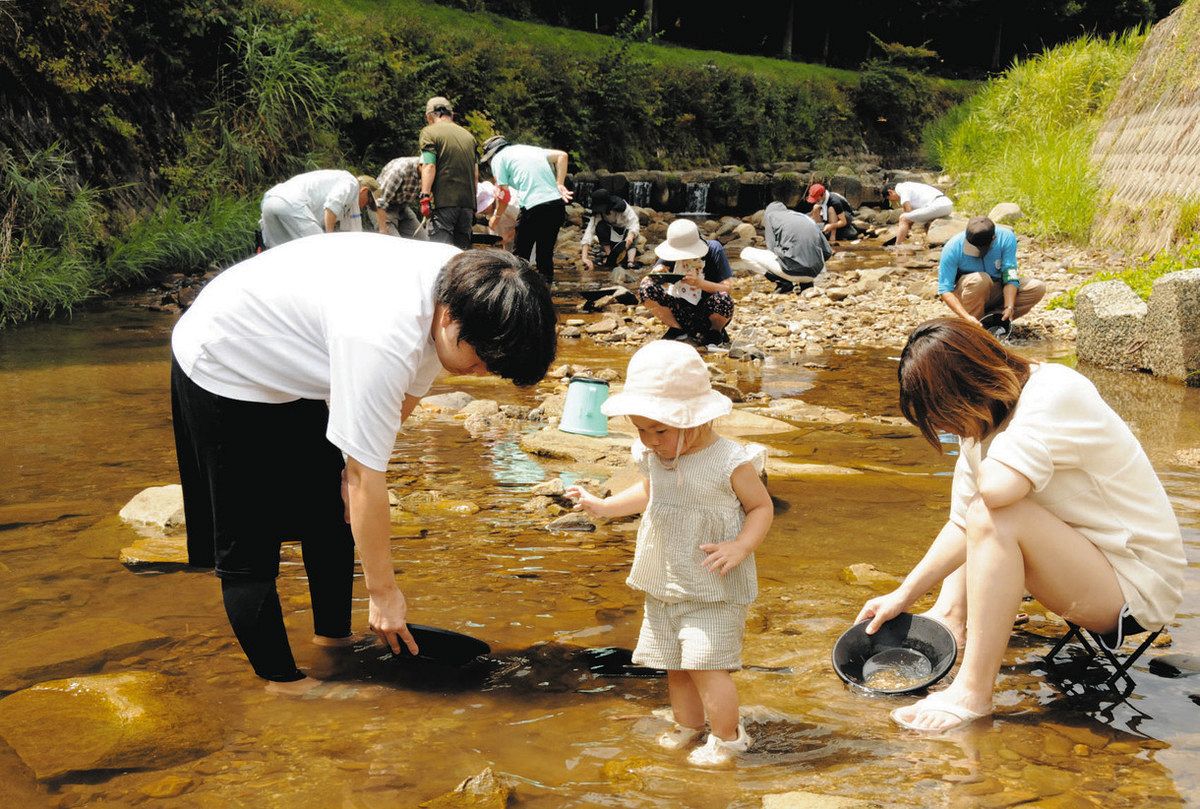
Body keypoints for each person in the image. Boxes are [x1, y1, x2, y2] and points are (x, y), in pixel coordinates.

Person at [170, 233, 557, 694]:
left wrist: (352, 477)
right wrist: (384, 594)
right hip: (224, 358)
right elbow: (365, 476)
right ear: (451, 317)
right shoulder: (382, 334)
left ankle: (333, 643)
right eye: (480, 362)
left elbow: (392, 417)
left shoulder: (470, 286)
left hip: (299, 358)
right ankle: (284, 684)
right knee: (248, 542)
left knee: (329, 513)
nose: (480, 374)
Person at [854, 318, 1185, 732]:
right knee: (982, 514)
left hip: (1137, 584)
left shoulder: (1054, 394)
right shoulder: (986, 422)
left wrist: (979, 461)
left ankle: (974, 693)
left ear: (966, 387)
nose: (941, 427)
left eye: (939, 412)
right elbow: (962, 523)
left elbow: (994, 498)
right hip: (1086, 563)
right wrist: (902, 596)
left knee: (996, 513)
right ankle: (952, 617)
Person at [565, 340, 772, 766]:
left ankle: (728, 738)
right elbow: (647, 492)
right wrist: (603, 506)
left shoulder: (729, 460)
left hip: (712, 584)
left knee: (705, 663)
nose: (649, 439)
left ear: (695, 418)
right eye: (641, 428)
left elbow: (760, 507)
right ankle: (689, 725)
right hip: (664, 580)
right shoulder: (652, 455)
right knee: (674, 665)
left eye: (659, 430)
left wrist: (741, 545)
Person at [480, 135, 573, 282]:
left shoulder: (498, 159)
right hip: (556, 205)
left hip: (533, 208)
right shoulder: (532, 150)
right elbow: (562, 156)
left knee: (520, 258)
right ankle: (545, 296)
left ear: (492, 154)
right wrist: (559, 184)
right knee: (545, 255)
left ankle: (519, 296)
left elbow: (504, 196)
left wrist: (496, 217)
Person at [639, 219, 735, 347]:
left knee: (723, 298)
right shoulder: (671, 252)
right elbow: (647, 282)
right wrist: (657, 273)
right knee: (646, 288)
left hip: (708, 311)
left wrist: (700, 283)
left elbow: (728, 288)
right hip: (680, 310)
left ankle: (715, 332)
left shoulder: (714, 249)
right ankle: (677, 329)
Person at [937, 216, 1046, 328]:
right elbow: (945, 289)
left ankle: (994, 320)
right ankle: (973, 326)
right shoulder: (952, 248)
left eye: (982, 248)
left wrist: (1009, 306)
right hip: (968, 293)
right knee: (981, 279)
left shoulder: (1006, 238)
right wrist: (966, 317)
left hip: (997, 289)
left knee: (1037, 287)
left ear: (994, 238)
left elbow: (1010, 275)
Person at [259, 170, 383, 248]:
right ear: (364, 191)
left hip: (270, 201)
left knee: (279, 255)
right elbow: (331, 206)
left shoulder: (338, 181)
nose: (365, 207)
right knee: (321, 252)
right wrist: (327, 240)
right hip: (292, 204)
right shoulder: (351, 182)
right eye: (369, 203)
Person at [419, 96, 478, 249]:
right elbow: (475, 174)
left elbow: (429, 166)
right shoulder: (469, 137)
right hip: (467, 205)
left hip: (443, 203)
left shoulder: (429, 132)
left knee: (440, 253)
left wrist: (425, 197)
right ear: (451, 114)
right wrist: (473, 206)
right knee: (461, 255)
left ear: (430, 116)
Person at [740, 199, 832, 294]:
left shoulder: (770, 216)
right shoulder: (805, 218)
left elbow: (771, 247)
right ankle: (806, 284)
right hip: (813, 274)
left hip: (791, 272)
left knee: (745, 253)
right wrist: (811, 264)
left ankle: (783, 283)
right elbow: (827, 252)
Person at [581, 188, 640, 273]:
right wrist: (584, 258)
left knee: (633, 233)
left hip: (626, 235)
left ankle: (630, 262)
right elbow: (589, 232)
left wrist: (630, 236)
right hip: (611, 235)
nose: (601, 210)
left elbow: (634, 223)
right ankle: (610, 257)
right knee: (600, 227)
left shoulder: (623, 207)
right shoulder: (598, 213)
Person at [375, 155, 427, 239]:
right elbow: (380, 201)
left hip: (402, 206)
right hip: (381, 206)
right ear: (422, 165)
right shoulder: (400, 170)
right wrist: (383, 229)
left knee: (423, 240)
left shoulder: (428, 173)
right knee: (395, 243)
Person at [886, 180, 953, 244]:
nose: (892, 201)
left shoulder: (902, 188)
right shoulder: (909, 186)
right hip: (946, 204)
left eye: (889, 198)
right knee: (925, 223)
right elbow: (913, 215)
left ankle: (897, 247)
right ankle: (927, 244)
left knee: (903, 218)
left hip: (938, 205)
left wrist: (905, 229)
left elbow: (908, 211)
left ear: (890, 192)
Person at [475, 180, 519, 251]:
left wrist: (510, 235)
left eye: (484, 208)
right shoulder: (490, 211)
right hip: (510, 247)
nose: (482, 212)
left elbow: (530, 221)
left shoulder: (511, 203)